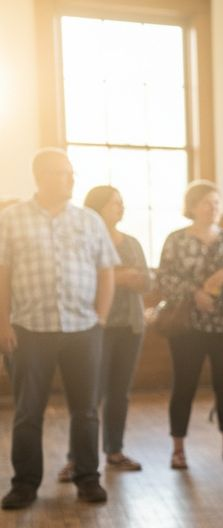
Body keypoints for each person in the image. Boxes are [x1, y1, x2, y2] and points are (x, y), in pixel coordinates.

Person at [0, 148, 117, 509]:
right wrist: (3, 322)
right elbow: (2, 275)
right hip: (30, 329)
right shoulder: (11, 219)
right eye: (61, 173)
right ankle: (25, 484)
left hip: (83, 329)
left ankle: (87, 478)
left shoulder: (88, 220)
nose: (69, 179)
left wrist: (101, 316)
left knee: (85, 409)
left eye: (70, 173)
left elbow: (106, 269)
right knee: (27, 411)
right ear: (41, 176)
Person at [53, 185, 152, 481]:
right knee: (88, 395)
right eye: (113, 203)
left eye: (121, 203)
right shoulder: (84, 237)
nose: (120, 208)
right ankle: (77, 459)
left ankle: (114, 451)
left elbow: (146, 282)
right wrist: (120, 276)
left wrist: (120, 278)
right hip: (96, 326)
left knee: (119, 393)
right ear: (96, 207)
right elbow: (83, 280)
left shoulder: (132, 243)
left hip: (131, 327)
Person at [157, 180, 223, 469]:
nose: (214, 208)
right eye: (208, 203)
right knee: (184, 385)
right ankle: (178, 449)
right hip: (189, 327)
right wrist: (194, 293)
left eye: (217, 203)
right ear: (193, 207)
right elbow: (165, 278)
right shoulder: (176, 239)